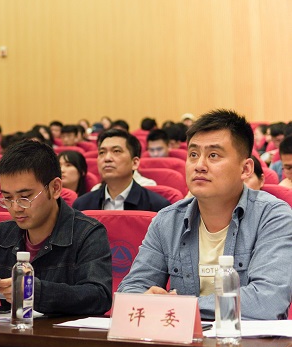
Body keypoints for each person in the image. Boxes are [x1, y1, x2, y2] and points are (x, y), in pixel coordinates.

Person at [118, 109, 292, 320]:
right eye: (193, 155)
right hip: (182, 338)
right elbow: (130, 290)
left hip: (246, 340)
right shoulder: (167, 220)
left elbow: (268, 301)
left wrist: (181, 307)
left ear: (246, 169)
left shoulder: (273, 217)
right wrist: (145, 299)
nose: (199, 165)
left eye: (213, 155)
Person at [0, 140, 112, 316]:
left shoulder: (87, 233)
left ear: (55, 188)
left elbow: (99, 296)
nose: (15, 207)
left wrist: (34, 291)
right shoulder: (3, 234)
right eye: (7, 198)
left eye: (25, 197)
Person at [73, 129, 170, 212]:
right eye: (102, 152)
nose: (107, 158)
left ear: (135, 163)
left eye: (116, 151)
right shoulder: (82, 205)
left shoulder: (157, 206)